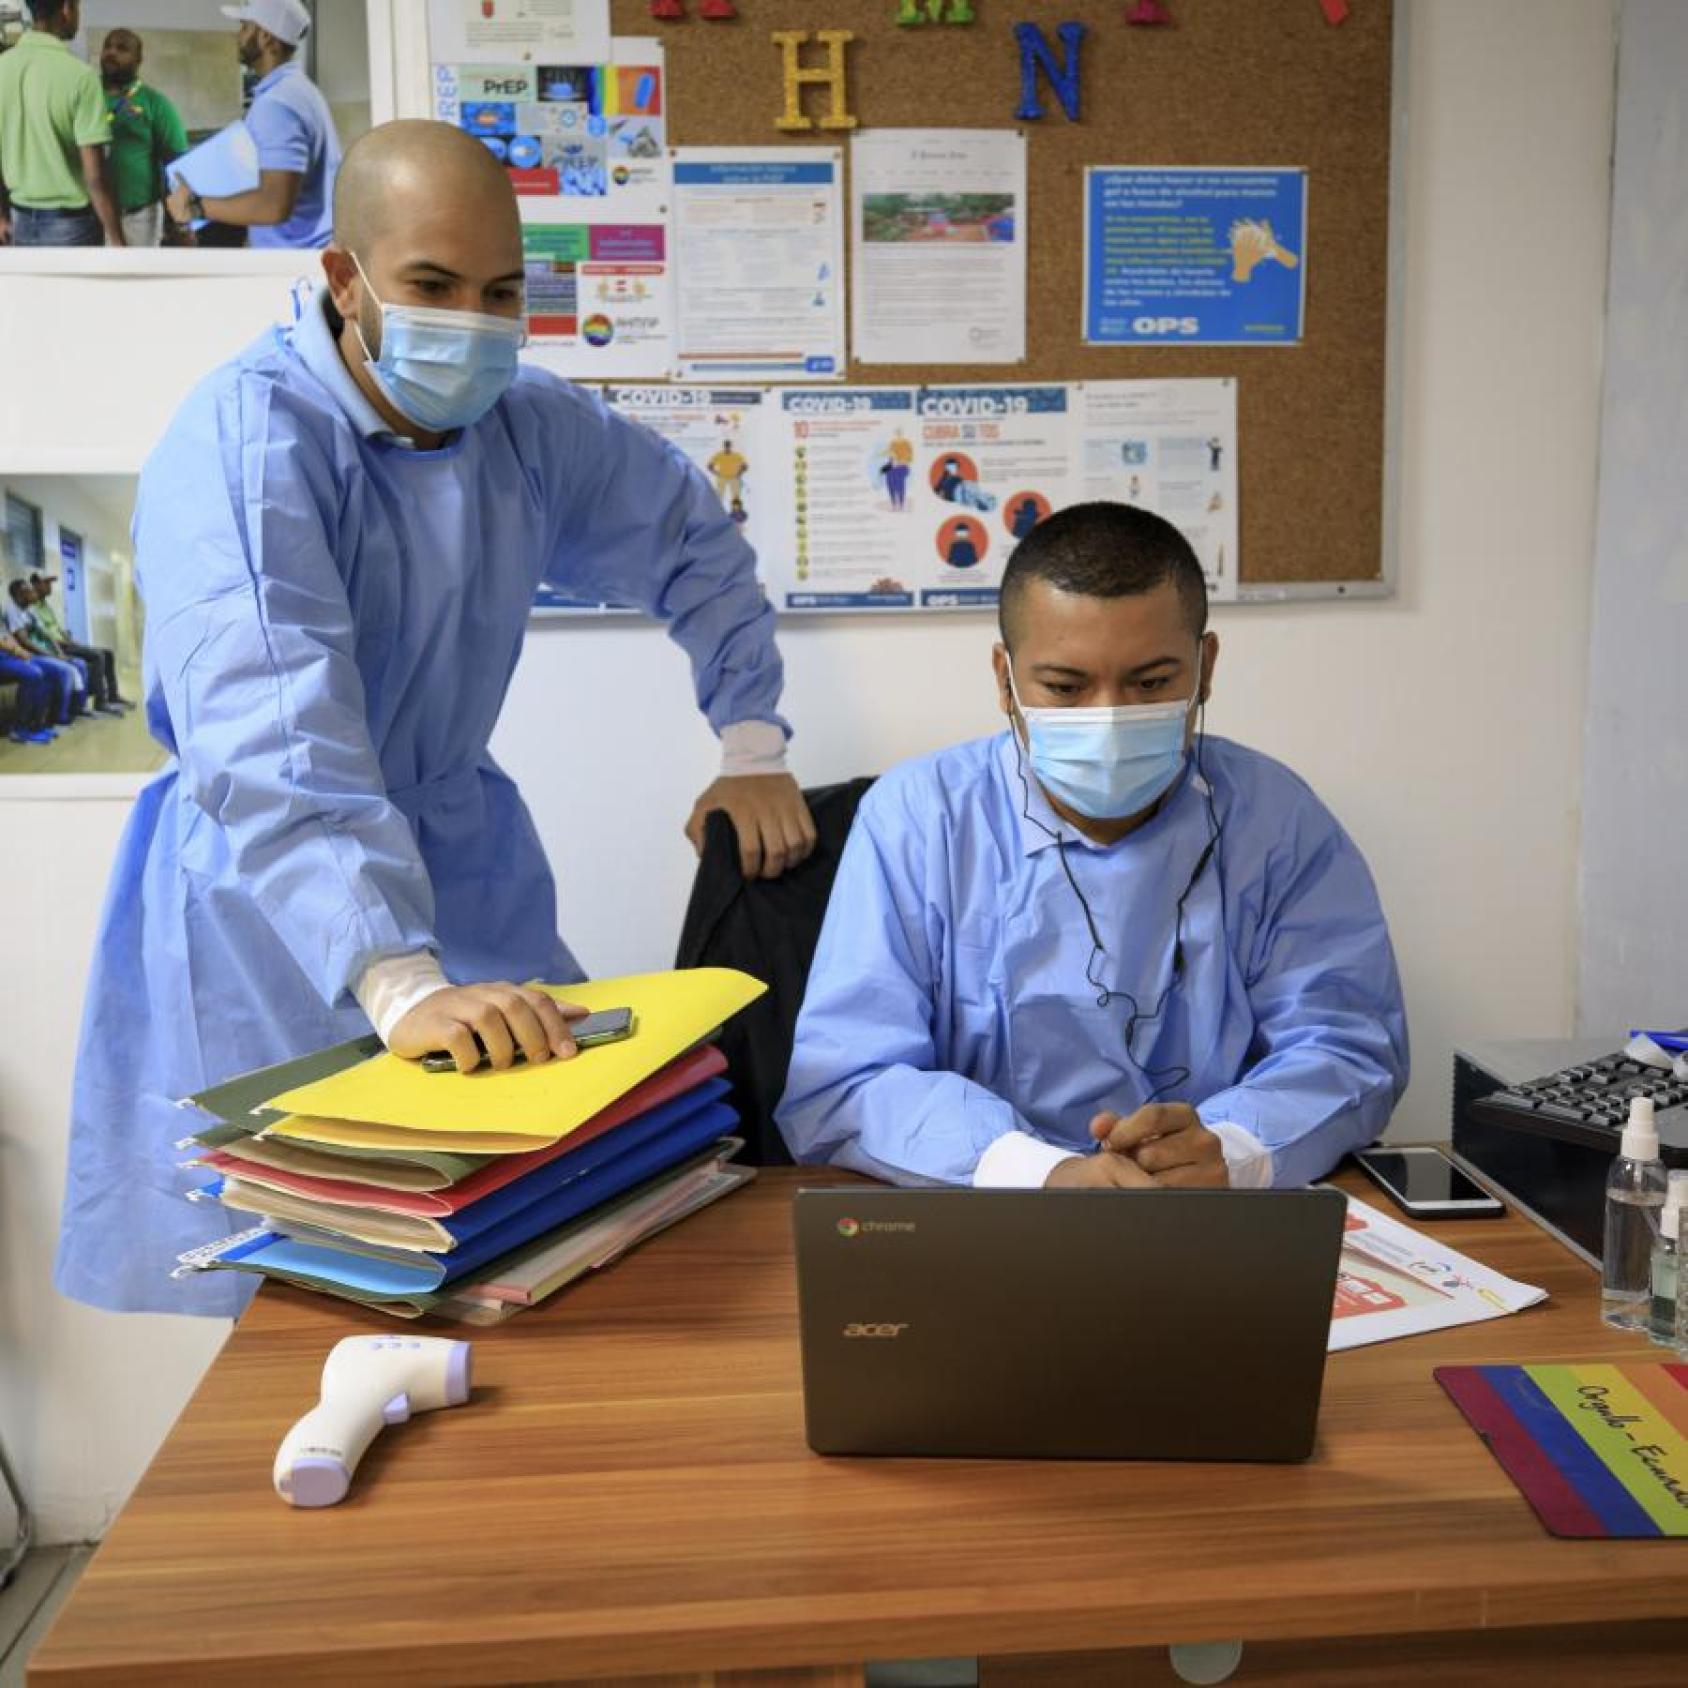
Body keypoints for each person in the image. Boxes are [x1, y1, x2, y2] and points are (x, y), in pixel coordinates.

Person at [60, 119, 817, 1318]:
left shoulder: (528, 424)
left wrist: (751, 742)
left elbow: (692, 537)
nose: (472, 320)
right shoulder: (247, 446)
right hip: (269, 894)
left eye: (501, 290)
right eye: (431, 284)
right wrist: (394, 977)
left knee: (556, 1202)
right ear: (343, 279)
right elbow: (275, 725)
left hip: (466, 858)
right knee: (318, 1262)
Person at [778, 502, 1408, 1191]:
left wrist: (1233, 1149)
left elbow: (1348, 1046)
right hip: (979, 1215)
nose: (1107, 717)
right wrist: (1037, 1171)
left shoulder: (1275, 818)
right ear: (1004, 679)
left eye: (1152, 682)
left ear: (1206, 665)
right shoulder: (916, 819)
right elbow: (847, 1078)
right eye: (1065, 687)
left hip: (1204, 1214)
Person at [165, 0, 339, 250]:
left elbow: (273, 205)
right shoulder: (299, 89)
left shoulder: (277, 104)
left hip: (293, 262)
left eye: (245, 27)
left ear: (266, 37)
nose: (238, 36)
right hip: (305, 252)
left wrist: (195, 207)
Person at [0, 0, 124, 248]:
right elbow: (95, 177)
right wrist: (117, 239)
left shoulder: (3, 66)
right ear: (66, 9)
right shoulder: (81, 76)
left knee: (34, 288)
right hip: (70, 225)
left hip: (19, 218)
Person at [100, 27, 190, 248]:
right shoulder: (86, 96)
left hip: (138, 219)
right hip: (91, 217)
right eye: (108, 46)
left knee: (136, 280)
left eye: (122, 48)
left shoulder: (155, 104)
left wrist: (181, 224)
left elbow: (177, 163)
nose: (112, 52)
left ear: (138, 59)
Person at [28, 573, 132, 709]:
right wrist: (66, 643)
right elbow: (46, 636)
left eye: (50, 584)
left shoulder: (45, 606)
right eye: (46, 583)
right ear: (35, 586)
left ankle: (112, 695)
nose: (50, 587)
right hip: (56, 647)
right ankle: (100, 702)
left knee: (108, 654)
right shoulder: (32, 608)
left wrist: (71, 640)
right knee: (97, 656)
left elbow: (57, 629)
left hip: (65, 643)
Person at [4, 577, 86, 722]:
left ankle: (75, 710)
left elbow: (47, 635)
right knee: (63, 670)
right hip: (29, 654)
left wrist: (59, 653)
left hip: (39, 652)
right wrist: (53, 656)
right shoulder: (12, 610)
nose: (33, 593)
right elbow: (24, 641)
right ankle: (58, 717)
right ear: (20, 594)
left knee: (79, 664)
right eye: (29, 591)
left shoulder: (30, 610)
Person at [708, 439, 748, 506]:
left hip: (734, 477)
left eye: (728, 446)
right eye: (726, 446)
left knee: (736, 496)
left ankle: (736, 511)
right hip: (722, 477)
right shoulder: (719, 455)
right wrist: (716, 473)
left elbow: (745, 466)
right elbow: (710, 466)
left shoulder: (736, 455)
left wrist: (739, 473)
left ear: (730, 446)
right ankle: (718, 510)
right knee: (719, 495)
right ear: (724, 446)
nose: (727, 448)